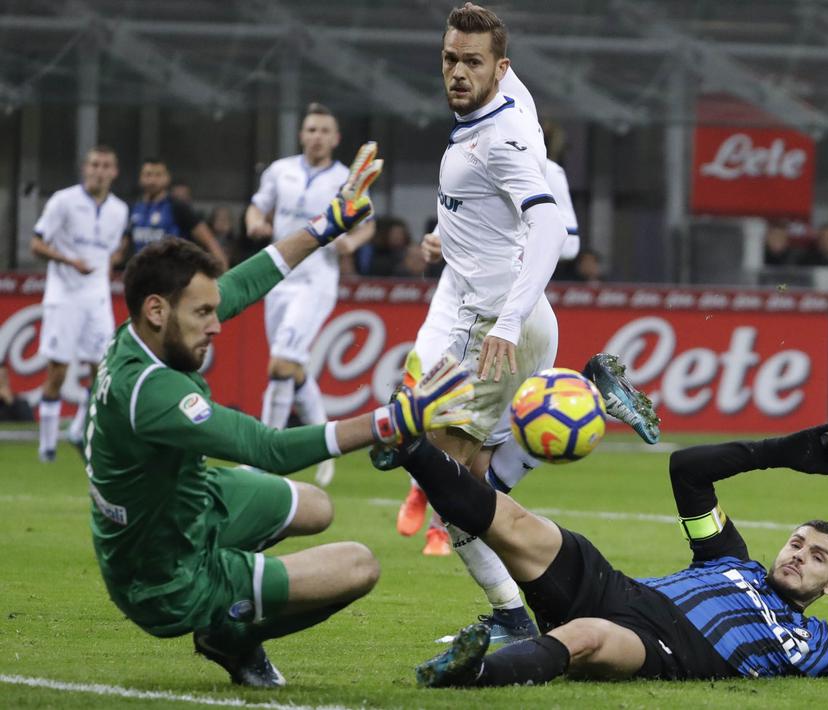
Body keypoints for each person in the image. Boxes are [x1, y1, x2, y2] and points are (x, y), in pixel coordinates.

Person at [85, 145, 474, 688]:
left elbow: (240, 286)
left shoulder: (137, 335)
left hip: (188, 502)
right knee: (360, 565)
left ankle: (240, 591)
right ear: (157, 310)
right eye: (202, 314)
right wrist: (392, 420)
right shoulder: (152, 393)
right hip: (164, 574)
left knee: (314, 507)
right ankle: (230, 631)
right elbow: (269, 449)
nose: (216, 325)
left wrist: (328, 225)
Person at [399, 423, 828, 686]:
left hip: (655, 646)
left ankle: (466, 677)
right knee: (518, 523)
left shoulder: (811, 642)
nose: (798, 556)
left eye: (818, 558)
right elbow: (686, 471)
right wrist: (773, 454)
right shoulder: (727, 558)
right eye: (797, 542)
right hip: (621, 588)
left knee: (582, 640)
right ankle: (406, 445)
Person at [389, 3, 659, 644]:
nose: (457, 71)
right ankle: (589, 389)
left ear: (500, 68)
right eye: (450, 58)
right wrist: (445, 240)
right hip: (496, 312)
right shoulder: (508, 99)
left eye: (472, 62)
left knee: (443, 482)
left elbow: (546, 226)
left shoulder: (498, 140)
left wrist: (506, 321)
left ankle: (511, 615)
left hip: (498, 325)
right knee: (473, 482)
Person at [246, 103, 376, 488]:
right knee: (293, 367)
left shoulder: (343, 179)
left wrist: (352, 242)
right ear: (302, 134)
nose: (316, 136)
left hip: (316, 281)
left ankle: (262, 458)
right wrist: (255, 224)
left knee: (280, 365)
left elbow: (368, 223)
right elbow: (257, 208)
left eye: (324, 130)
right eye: (311, 129)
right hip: (278, 279)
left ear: (335, 138)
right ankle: (325, 444)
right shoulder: (279, 171)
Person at [29, 145, 128, 462]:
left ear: (114, 172)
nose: (99, 170)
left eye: (106, 165)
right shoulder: (63, 201)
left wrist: (112, 260)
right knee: (58, 370)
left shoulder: (119, 210)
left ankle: (78, 429)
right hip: (64, 296)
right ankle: (47, 447)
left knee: (103, 369)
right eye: (94, 164)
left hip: (97, 298)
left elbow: (114, 249)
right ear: (85, 168)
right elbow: (36, 243)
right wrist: (69, 261)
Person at [126, 157, 229, 268]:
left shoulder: (178, 207)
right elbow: (122, 246)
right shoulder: (133, 208)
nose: (152, 180)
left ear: (167, 178)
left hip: (172, 278)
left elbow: (209, 241)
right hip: (141, 277)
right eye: (148, 175)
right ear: (140, 178)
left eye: (158, 175)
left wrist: (224, 273)